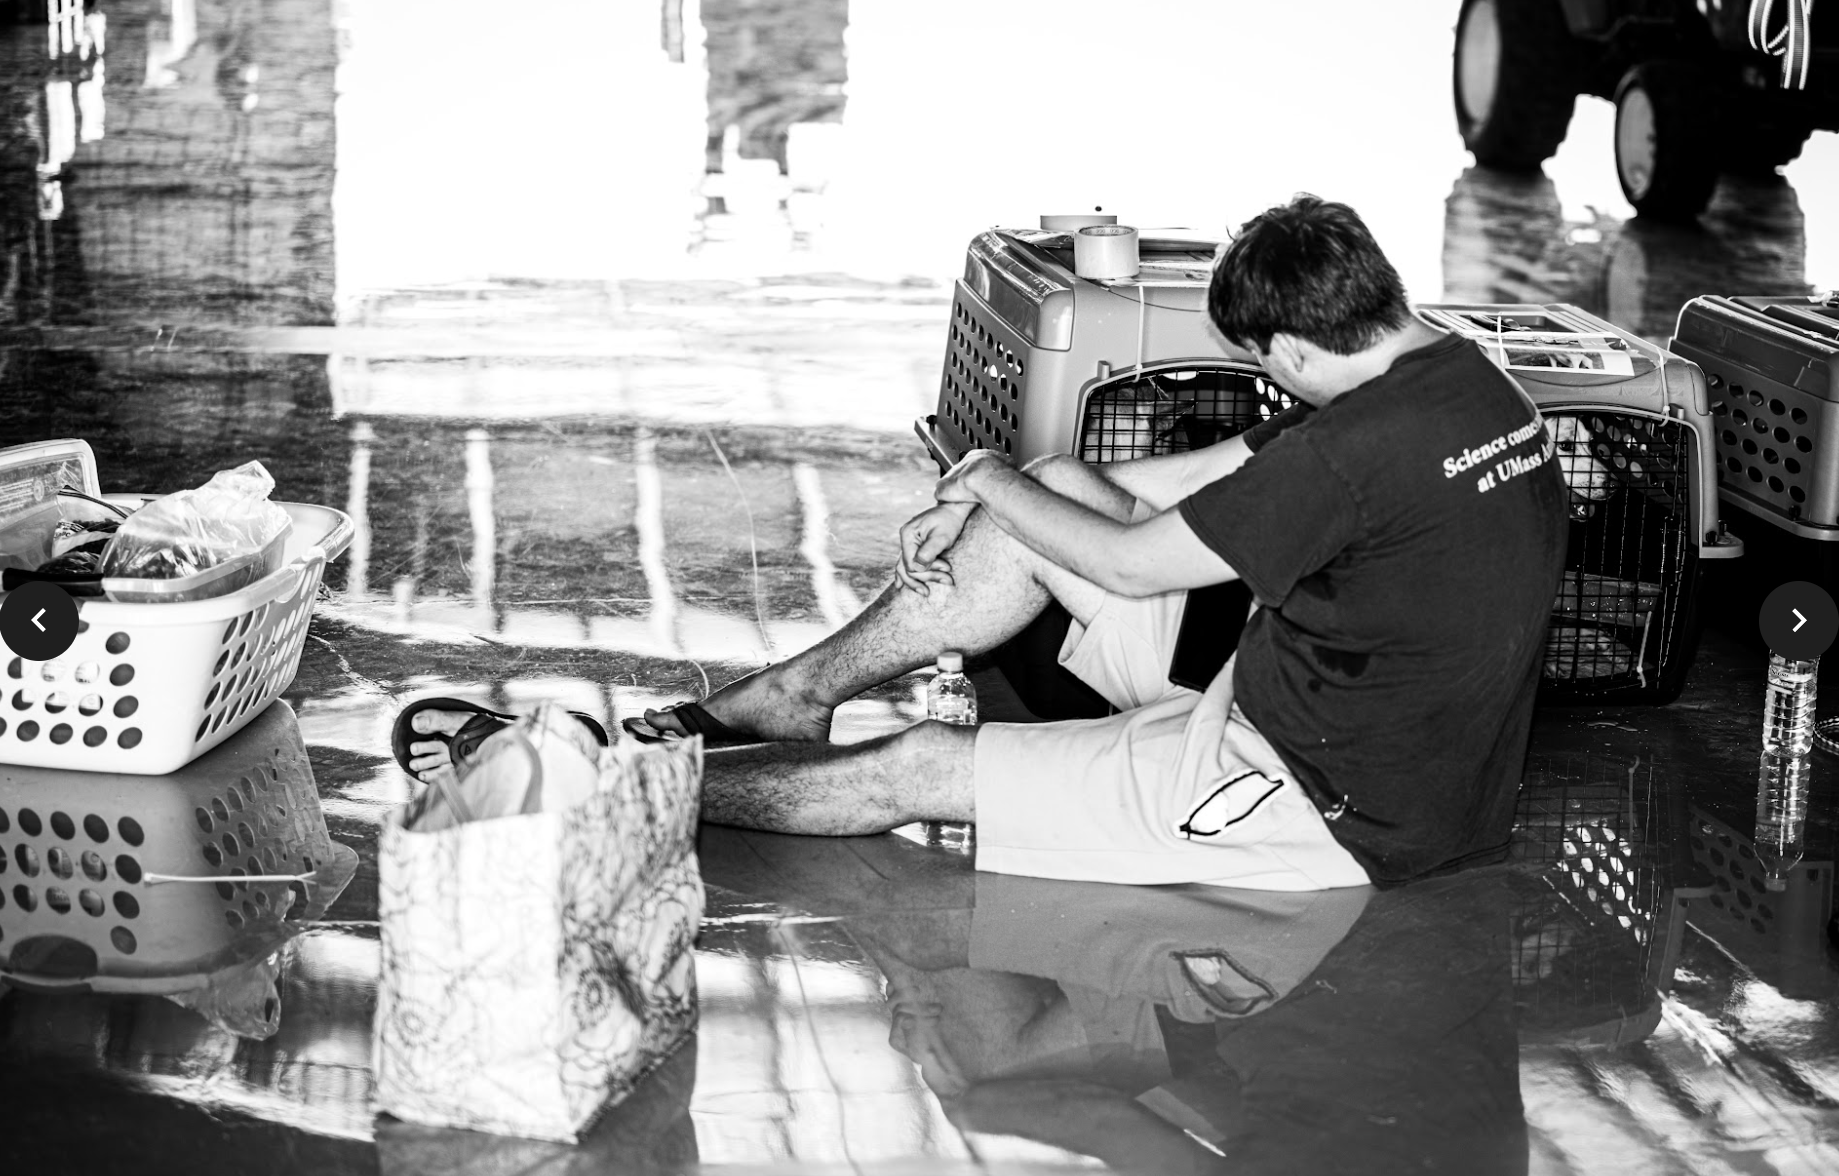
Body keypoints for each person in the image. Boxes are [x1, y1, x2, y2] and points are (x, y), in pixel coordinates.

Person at [405, 194, 1569, 890]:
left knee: (917, 765)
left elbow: (1125, 563)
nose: (1269, 387)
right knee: (1046, 505)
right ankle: (792, 693)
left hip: (1324, 806)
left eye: (1263, 364)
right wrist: (1004, 490)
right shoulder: (1461, 378)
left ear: (1299, 354)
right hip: (1338, 710)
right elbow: (1162, 486)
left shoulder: (1345, 456)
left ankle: (617, 785)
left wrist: (988, 483)